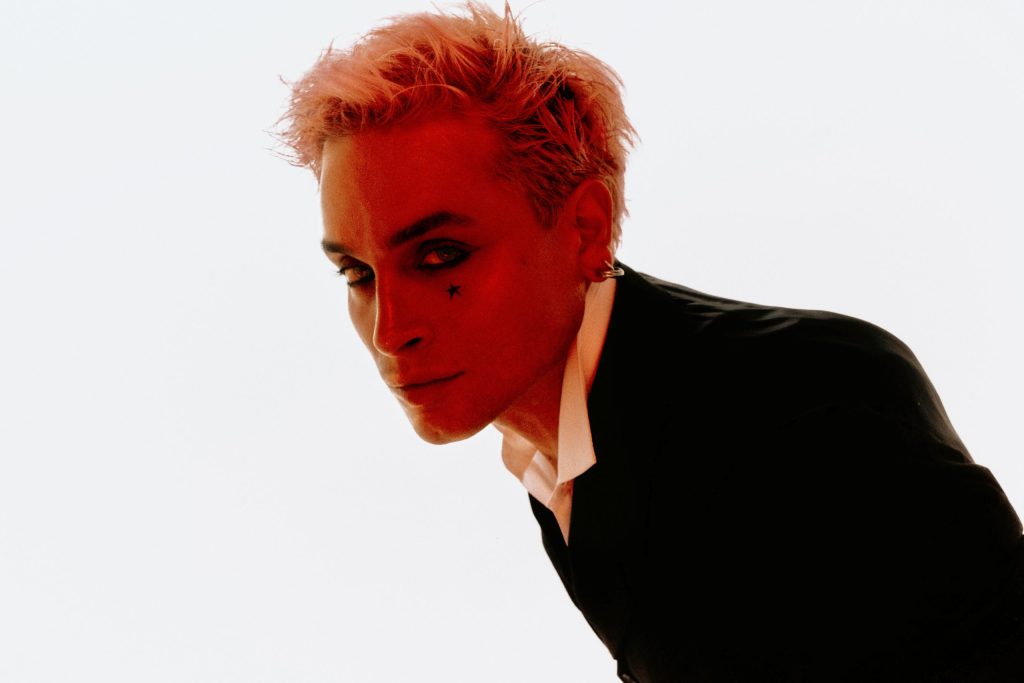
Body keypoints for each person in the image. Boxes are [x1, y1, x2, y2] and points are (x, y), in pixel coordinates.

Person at [277, 3, 1024, 680]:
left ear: (585, 228)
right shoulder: (556, 450)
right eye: (356, 272)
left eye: (441, 256)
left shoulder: (802, 408)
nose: (390, 330)